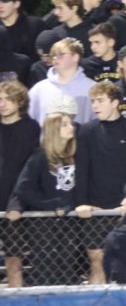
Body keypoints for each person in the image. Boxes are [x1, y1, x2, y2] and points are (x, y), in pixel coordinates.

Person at [75, 81, 126, 284]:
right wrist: (82, 202)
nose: (95, 106)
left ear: (115, 103)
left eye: (100, 101)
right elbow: (81, 170)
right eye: (93, 101)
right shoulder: (87, 131)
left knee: (125, 261)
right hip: (95, 208)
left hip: (124, 208)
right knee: (96, 261)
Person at [7, 105, 80, 286]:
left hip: (69, 223)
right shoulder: (39, 157)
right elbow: (23, 188)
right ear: (54, 130)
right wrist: (51, 205)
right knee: (46, 267)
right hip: (43, 224)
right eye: (65, 124)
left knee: (68, 263)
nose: (71, 127)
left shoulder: (74, 156)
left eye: (70, 123)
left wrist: (69, 205)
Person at [0, 81, 41, 287]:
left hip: (16, 202)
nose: (2, 104)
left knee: (13, 259)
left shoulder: (30, 128)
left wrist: (17, 201)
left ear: (20, 101)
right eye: (0, 99)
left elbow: (31, 168)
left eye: (8, 99)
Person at [28, 38, 95, 126]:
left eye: (60, 55)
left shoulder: (92, 88)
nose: (55, 58)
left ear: (75, 57)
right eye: (53, 55)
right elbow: (28, 119)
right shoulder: (39, 89)